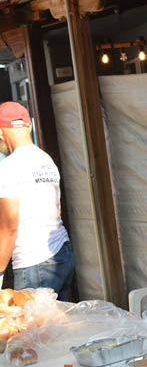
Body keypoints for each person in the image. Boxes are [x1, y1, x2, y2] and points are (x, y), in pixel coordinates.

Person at [0, 101, 75, 300]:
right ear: (29, 126)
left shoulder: (8, 167)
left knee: (32, 320)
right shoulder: (45, 160)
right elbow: (57, 210)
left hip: (33, 261)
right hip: (61, 252)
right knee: (59, 318)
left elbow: (9, 226)